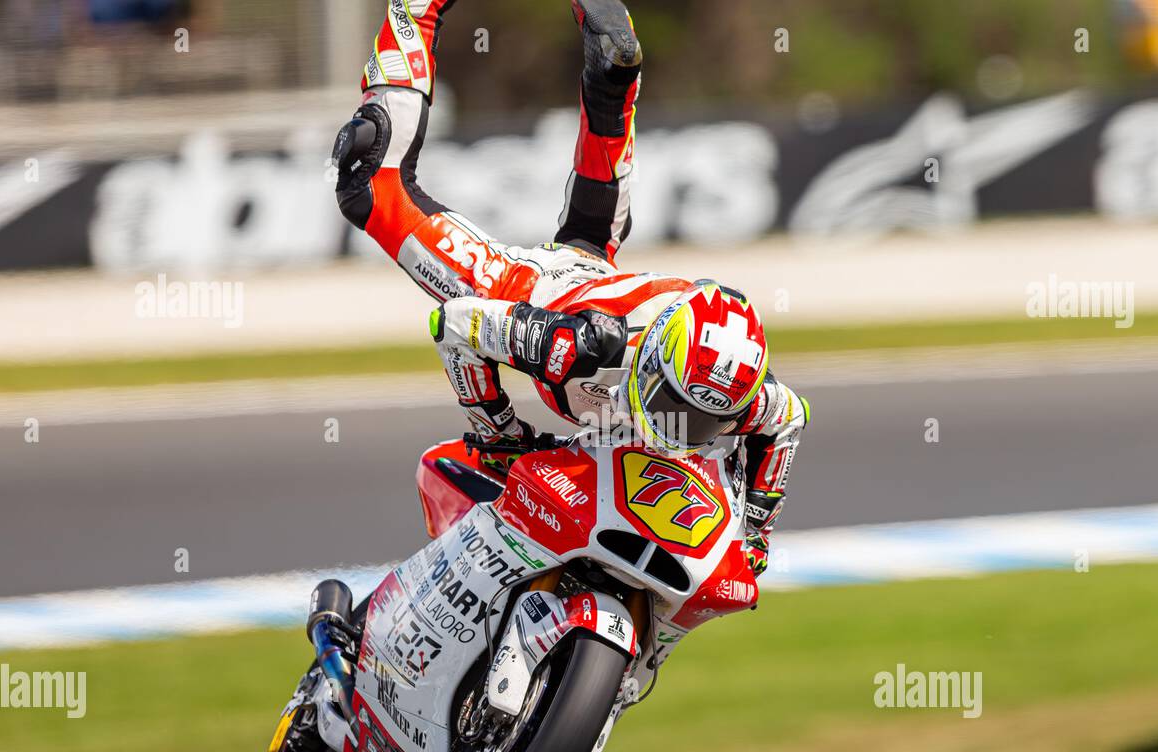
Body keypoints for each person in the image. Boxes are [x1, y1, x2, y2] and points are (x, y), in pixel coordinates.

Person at [331, 0, 809, 576]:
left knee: (589, 236)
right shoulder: (567, 347)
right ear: (652, 365)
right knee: (369, 187)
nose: (682, 431)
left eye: (707, 422)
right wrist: (498, 432)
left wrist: (756, 533)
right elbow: (455, 324)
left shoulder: (731, 389)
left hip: (605, 283)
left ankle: (614, 80)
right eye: (673, 406)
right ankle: (416, 7)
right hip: (531, 294)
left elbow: (787, 418)